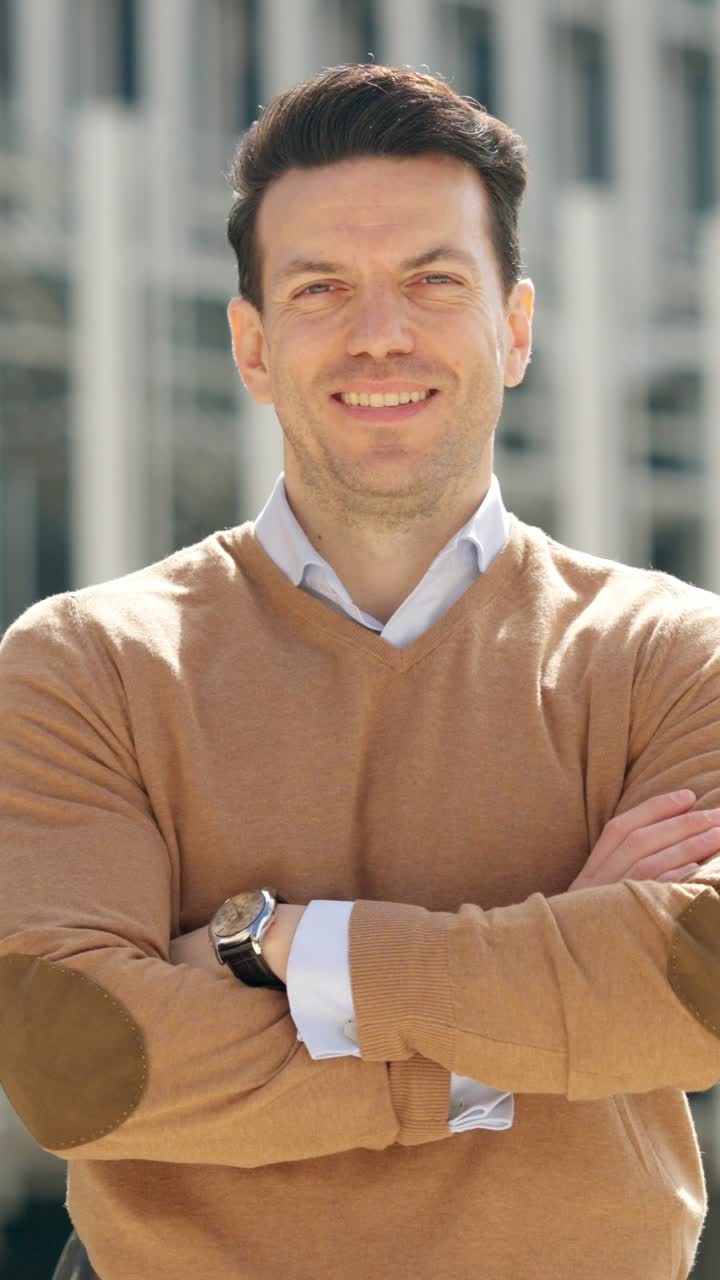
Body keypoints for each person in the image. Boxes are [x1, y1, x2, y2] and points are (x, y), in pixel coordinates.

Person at [1, 62, 719, 1280]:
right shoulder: (88, 661)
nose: (379, 331)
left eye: (434, 281)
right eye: (321, 286)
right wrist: (538, 1002)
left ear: (518, 326)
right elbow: (82, 1057)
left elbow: (692, 986)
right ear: (251, 342)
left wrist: (265, 943)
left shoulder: (671, 652)